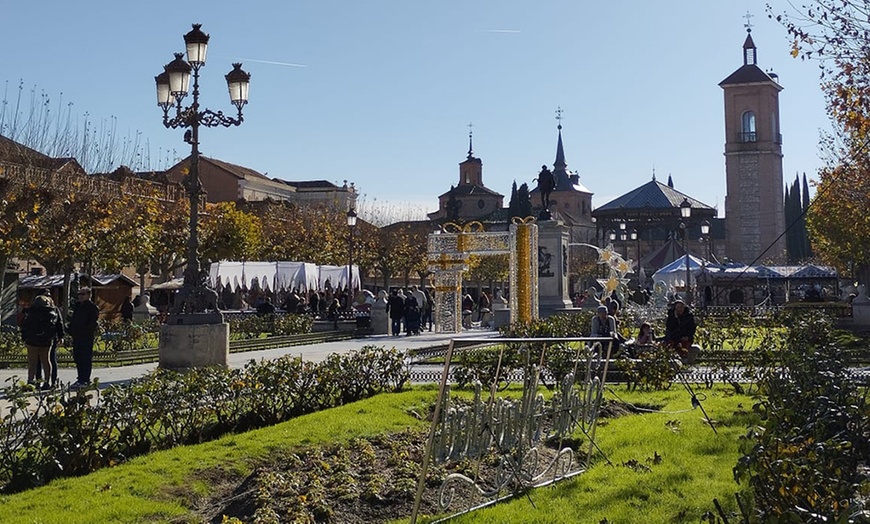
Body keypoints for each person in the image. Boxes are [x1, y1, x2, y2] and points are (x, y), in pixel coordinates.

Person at [20, 295, 63, 390]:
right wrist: (60, 336)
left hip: (32, 341)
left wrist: (24, 338)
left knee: (32, 363)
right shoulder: (53, 311)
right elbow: (58, 324)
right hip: (46, 340)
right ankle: (47, 382)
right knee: (46, 361)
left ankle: (30, 381)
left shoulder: (31, 311)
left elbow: (25, 325)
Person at [68, 287, 100, 387]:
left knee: (85, 358)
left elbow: (92, 324)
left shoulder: (92, 307)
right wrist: (70, 329)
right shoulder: (78, 306)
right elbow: (74, 320)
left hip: (86, 337)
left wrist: (85, 332)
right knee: (78, 358)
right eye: (79, 294)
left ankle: (85, 379)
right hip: (76, 336)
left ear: (88, 295)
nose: (80, 296)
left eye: (83, 294)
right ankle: (80, 378)